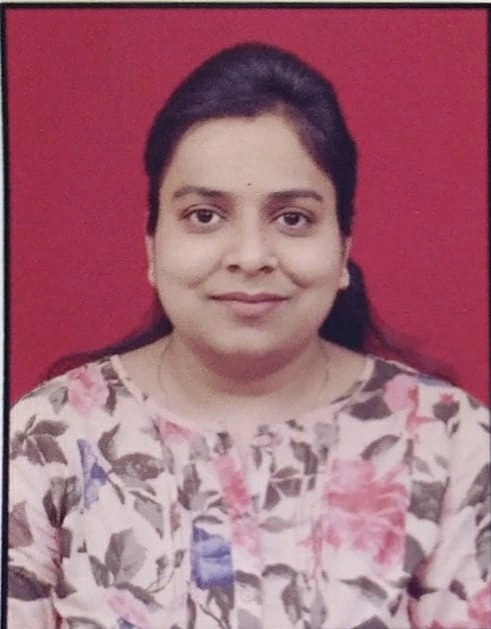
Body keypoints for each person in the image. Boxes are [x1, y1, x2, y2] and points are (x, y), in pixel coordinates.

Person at [7, 42, 490, 629]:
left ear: (344, 247)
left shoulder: (448, 440)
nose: (251, 255)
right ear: (152, 243)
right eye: (205, 216)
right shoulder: (49, 437)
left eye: (293, 218)